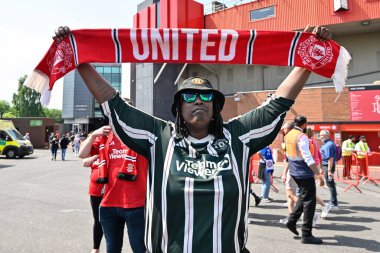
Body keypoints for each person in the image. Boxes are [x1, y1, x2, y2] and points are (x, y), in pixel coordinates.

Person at [54, 25, 330, 252]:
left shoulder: (238, 137)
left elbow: (277, 103)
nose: (198, 100)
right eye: (189, 96)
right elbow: (112, 102)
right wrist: (78, 57)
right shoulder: (158, 137)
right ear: (178, 109)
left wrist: (308, 60)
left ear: (215, 108)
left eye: (206, 96)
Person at [79, 123, 148, 253]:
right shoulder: (105, 135)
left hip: (135, 205)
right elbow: (82, 155)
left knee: (139, 249)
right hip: (108, 205)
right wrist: (94, 135)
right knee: (112, 250)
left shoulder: (142, 134)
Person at [284, 115, 324, 244]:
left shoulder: (288, 135)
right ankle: (306, 234)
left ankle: (292, 221)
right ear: (304, 124)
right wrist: (318, 174)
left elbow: (288, 155)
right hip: (304, 173)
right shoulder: (302, 137)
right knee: (310, 203)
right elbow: (307, 157)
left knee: (303, 197)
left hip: (294, 172)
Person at [82, 154, 104, 253]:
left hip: (111, 192)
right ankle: (96, 248)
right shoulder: (95, 150)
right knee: (98, 219)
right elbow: (85, 163)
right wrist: (97, 155)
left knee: (113, 221)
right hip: (95, 192)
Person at [319, 130, 338, 218]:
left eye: (322, 135)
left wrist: (329, 171)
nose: (321, 137)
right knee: (330, 184)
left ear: (327, 136)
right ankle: (333, 201)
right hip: (326, 166)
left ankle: (334, 202)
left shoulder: (329, 145)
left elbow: (330, 159)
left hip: (328, 166)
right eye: (320, 135)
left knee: (330, 184)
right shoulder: (327, 144)